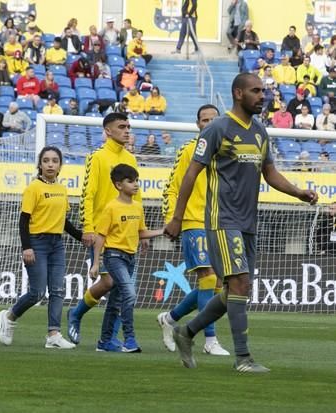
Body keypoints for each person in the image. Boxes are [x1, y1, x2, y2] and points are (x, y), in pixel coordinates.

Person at [163, 73, 318, 372]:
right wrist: (177, 217)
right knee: (240, 282)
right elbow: (191, 174)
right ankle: (243, 358)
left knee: (235, 290)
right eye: (256, 91)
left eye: (263, 91)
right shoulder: (217, 129)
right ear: (238, 93)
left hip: (248, 222)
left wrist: (298, 192)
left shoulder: (260, 132)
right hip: (222, 219)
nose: (263, 96)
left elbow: (270, 173)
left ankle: (187, 331)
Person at [158, 104, 230, 356]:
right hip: (192, 221)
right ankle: (210, 340)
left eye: (213, 119)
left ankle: (169, 318)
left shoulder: (226, 152)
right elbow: (171, 188)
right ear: (197, 124)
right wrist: (172, 219)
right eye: (204, 120)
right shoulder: (189, 150)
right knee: (208, 279)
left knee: (218, 286)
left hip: (219, 224)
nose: (208, 123)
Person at [66, 112, 142, 345]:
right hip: (104, 234)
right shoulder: (97, 157)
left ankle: (107, 340)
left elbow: (137, 196)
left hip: (128, 234)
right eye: (121, 126)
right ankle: (76, 313)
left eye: (128, 126)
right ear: (108, 131)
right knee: (110, 283)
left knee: (120, 290)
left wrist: (142, 229)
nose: (127, 130)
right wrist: (88, 227)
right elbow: (87, 194)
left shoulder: (131, 159)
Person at [0, 146, 82, 349]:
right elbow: (23, 220)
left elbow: (64, 220)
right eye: (46, 161)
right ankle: (8, 316)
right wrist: (27, 247)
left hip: (57, 244)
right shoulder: (34, 188)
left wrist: (81, 237)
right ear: (40, 165)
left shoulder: (62, 189)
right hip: (37, 243)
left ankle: (53, 334)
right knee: (37, 292)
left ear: (60, 165)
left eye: (54, 160)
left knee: (58, 290)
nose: (50, 164)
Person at [91, 164, 163, 352]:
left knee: (115, 301)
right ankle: (130, 339)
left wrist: (163, 230)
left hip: (131, 257)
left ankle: (104, 342)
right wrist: (96, 262)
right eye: (130, 181)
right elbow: (101, 236)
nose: (135, 184)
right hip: (114, 256)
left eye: (136, 180)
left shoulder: (138, 207)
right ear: (118, 185)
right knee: (129, 293)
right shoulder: (111, 208)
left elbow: (141, 232)